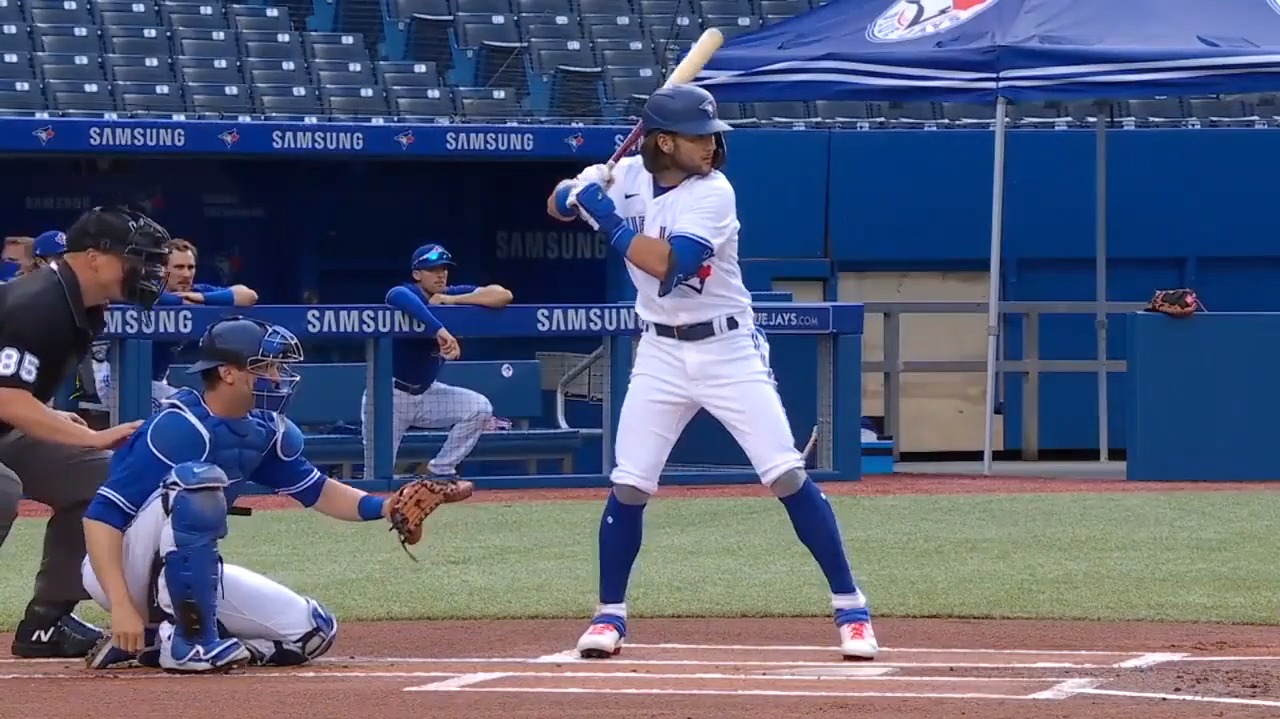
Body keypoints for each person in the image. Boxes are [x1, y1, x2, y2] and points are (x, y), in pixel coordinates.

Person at [546, 84, 878, 662]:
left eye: (712, 136)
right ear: (663, 142)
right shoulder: (626, 177)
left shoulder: (714, 192)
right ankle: (609, 616)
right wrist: (580, 185)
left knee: (785, 474)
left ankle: (852, 610)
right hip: (660, 352)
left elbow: (670, 266)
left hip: (728, 349)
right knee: (630, 483)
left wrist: (605, 218)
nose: (711, 146)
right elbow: (554, 206)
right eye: (698, 137)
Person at [81, 316, 473, 673]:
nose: (277, 377)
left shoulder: (263, 431)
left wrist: (386, 507)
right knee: (197, 483)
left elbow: (318, 490)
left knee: (312, 632)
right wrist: (121, 605)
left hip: (182, 574)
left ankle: (160, 638)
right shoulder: (177, 427)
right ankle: (190, 645)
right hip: (122, 567)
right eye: (265, 367)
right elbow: (101, 518)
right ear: (228, 372)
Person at [0, 206, 170, 658]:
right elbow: (7, 400)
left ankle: (47, 622)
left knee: (102, 476)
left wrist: (55, 420)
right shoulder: (37, 303)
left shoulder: (79, 303)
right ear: (94, 257)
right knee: (2, 489)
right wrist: (91, 436)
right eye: (136, 259)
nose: (146, 271)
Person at [363, 244, 513, 479]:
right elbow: (394, 295)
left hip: (426, 394)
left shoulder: (449, 294)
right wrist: (439, 330)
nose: (441, 274)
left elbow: (503, 295)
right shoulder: (409, 293)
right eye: (432, 269)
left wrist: (452, 300)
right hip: (389, 397)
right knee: (376, 475)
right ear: (417, 274)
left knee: (479, 408)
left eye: (444, 268)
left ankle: (439, 470)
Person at [91, 237, 259, 412]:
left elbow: (248, 296)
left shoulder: (195, 293)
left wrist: (201, 298)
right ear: (162, 269)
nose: (186, 274)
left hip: (156, 381)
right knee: (190, 409)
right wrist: (187, 302)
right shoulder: (145, 290)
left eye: (190, 267)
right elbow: (168, 301)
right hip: (117, 378)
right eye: (179, 267)